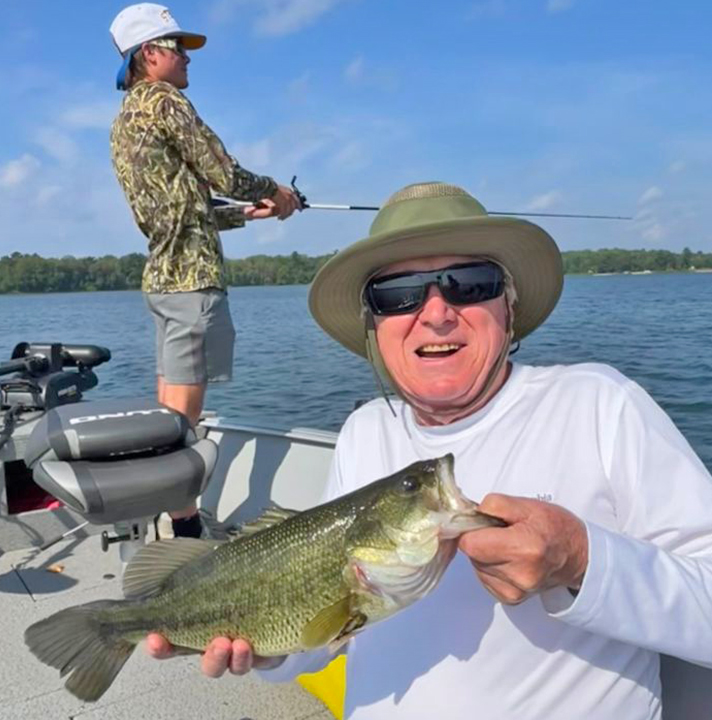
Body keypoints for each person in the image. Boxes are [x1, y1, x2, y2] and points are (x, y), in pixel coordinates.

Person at [147, 182, 712, 718]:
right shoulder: (367, 429)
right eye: (398, 295)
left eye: (469, 283)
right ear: (374, 326)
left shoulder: (598, 403)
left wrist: (580, 558)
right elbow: (333, 629)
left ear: (508, 305)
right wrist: (270, 653)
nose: (437, 311)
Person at [109, 3, 301, 538]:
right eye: (178, 48)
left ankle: (167, 512)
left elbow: (181, 208)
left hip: (164, 282)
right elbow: (226, 171)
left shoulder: (125, 120)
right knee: (183, 421)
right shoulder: (167, 103)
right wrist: (276, 193)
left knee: (168, 411)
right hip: (193, 284)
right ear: (150, 55)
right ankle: (186, 527)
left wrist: (247, 213)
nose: (188, 60)